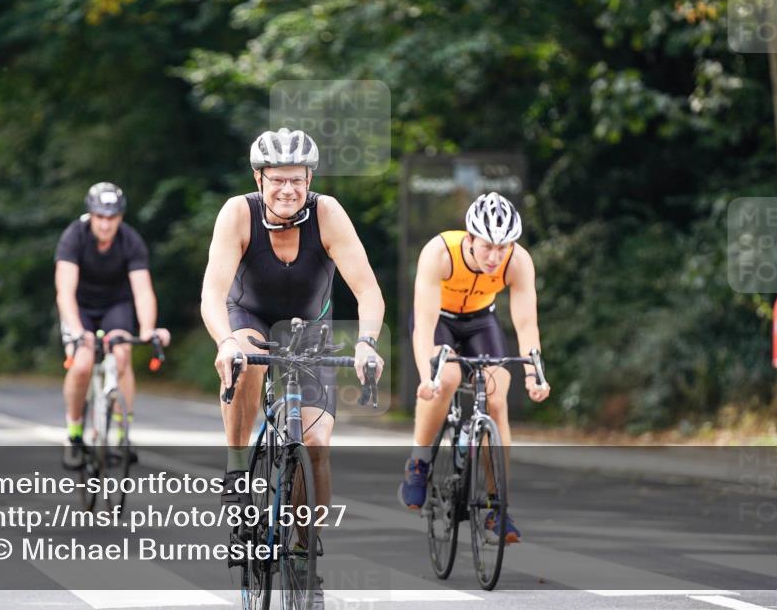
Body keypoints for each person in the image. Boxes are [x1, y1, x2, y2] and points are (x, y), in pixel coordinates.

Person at [200, 128, 385, 609]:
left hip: (308, 329)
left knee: (317, 443)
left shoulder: (328, 214)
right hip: (250, 320)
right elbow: (213, 293)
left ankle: (306, 553)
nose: (287, 190)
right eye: (277, 179)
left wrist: (366, 343)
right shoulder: (238, 213)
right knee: (246, 359)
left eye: (297, 180)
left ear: (310, 180)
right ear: (258, 178)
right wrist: (224, 342)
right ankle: (239, 468)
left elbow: (367, 290)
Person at [398, 192, 550, 544]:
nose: (495, 257)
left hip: (482, 321)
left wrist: (534, 373)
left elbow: (527, 325)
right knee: (447, 375)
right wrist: (427, 375)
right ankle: (419, 463)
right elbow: (424, 322)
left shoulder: (519, 261)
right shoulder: (440, 253)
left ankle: (498, 510)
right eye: (487, 247)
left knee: (497, 395)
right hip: (440, 321)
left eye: (503, 248)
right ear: (469, 239)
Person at [55, 182, 170, 469]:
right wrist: (78, 333)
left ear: (120, 217)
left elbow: (143, 291)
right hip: (79, 307)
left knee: (121, 356)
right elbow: (65, 292)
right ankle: (74, 434)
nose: (106, 224)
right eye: (100, 217)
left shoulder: (130, 241)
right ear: (91, 215)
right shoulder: (73, 237)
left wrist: (147, 329)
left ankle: (121, 433)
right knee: (82, 363)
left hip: (115, 306)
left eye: (112, 217)